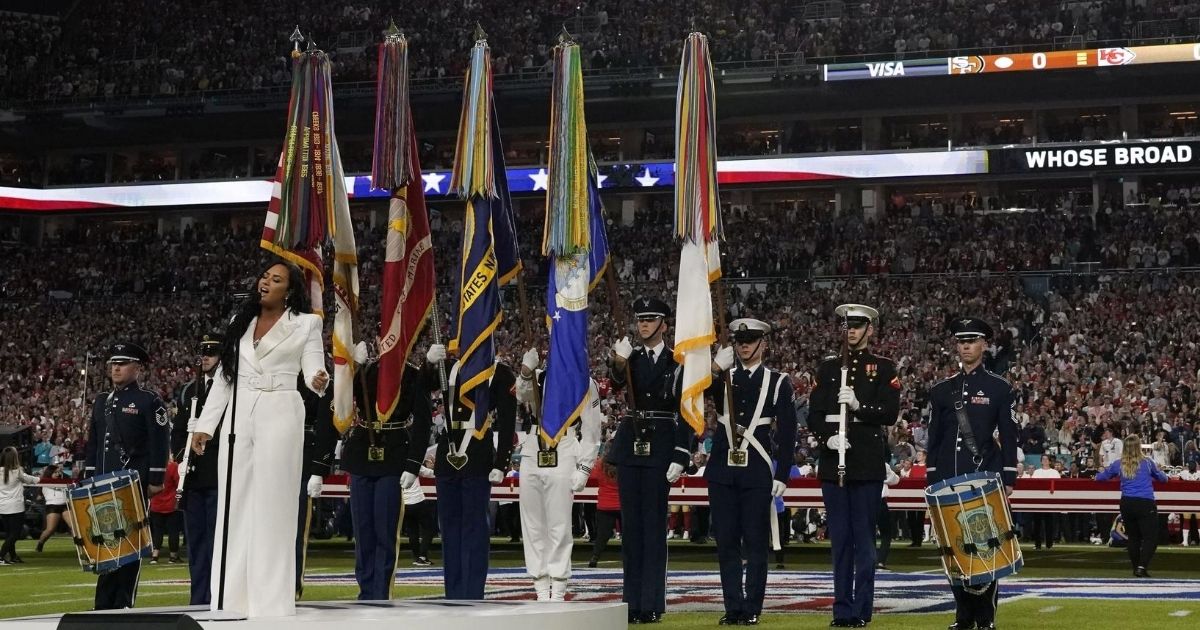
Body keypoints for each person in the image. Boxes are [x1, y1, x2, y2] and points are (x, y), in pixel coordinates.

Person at [191, 260, 329, 618]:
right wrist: (205, 426)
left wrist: (318, 377)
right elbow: (225, 379)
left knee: (273, 506)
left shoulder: (306, 323)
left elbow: (314, 363)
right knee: (233, 507)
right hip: (239, 416)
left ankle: (271, 602)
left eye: (276, 279)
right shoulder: (241, 323)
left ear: (290, 290)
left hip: (280, 410)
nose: (266, 282)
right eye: (265, 277)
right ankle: (231, 598)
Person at [808, 304, 901, 628]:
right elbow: (814, 414)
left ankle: (861, 610)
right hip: (835, 460)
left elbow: (890, 413)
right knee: (840, 540)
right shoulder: (829, 368)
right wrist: (827, 438)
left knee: (864, 540)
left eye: (858, 325)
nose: (852, 330)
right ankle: (841, 609)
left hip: (865, 460)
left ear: (870, 329)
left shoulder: (883, 368)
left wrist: (861, 407)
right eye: (848, 325)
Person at [927, 317, 1018, 630]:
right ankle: (963, 615)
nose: (966, 346)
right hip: (947, 478)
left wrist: (1008, 479)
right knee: (953, 550)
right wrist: (931, 477)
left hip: (983, 478)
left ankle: (985, 617)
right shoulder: (940, 391)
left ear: (985, 345)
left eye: (972, 340)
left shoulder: (999, 388)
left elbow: (1009, 434)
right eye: (961, 341)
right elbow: (934, 437)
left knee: (985, 548)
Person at [606, 296, 693, 624]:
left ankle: (652, 601)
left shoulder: (677, 361)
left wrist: (681, 453)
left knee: (655, 528)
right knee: (632, 529)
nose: (643, 324)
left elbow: (685, 409)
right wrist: (617, 363)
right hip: (632, 443)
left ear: (664, 324)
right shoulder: (627, 357)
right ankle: (631, 601)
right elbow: (616, 385)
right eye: (640, 319)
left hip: (660, 444)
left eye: (650, 319)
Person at [706, 318, 798, 625]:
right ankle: (733, 607)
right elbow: (691, 390)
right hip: (722, 469)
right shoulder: (721, 377)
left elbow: (787, 432)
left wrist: (783, 473)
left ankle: (752, 608)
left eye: (750, 339)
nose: (744, 345)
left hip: (756, 468)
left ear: (763, 343)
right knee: (727, 542)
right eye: (740, 340)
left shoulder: (778, 381)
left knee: (756, 542)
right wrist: (715, 369)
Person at [423, 341, 517, 600]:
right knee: (450, 529)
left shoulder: (499, 372)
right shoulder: (449, 366)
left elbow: (508, 421)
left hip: (476, 453)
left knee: (475, 529)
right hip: (448, 453)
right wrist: (429, 364)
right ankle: (453, 594)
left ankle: (473, 594)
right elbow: (419, 389)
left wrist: (501, 463)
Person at [340, 342, 432, 600]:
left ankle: (380, 593)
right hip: (361, 454)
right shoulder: (367, 371)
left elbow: (423, 424)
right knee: (364, 530)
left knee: (385, 530)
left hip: (393, 455)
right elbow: (342, 399)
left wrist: (413, 464)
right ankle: (365, 591)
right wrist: (354, 368)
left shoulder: (413, 375)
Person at [85, 341, 170, 609]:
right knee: (105, 545)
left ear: (137, 368)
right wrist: (89, 478)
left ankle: (123, 602)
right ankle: (103, 604)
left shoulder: (148, 400)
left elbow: (159, 441)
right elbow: (94, 443)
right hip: (103, 484)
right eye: (113, 364)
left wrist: (155, 480)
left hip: (132, 484)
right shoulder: (101, 401)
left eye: (122, 363)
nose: (116, 368)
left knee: (130, 546)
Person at [515, 348, 602, 601]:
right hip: (533, 447)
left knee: (559, 524)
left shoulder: (584, 382)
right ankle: (540, 586)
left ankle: (559, 586)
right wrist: (525, 372)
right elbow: (521, 396)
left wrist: (584, 467)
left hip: (564, 446)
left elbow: (592, 427)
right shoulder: (538, 377)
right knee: (532, 524)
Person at [171, 332, 223, 605]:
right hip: (193, 476)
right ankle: (198, 598)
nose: (205, 357)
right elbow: (178, 431)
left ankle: (217, 597)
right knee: (196, 543)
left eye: (211, 352)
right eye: (203, 352)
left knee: (217, 543)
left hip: (218, 474)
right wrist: (181, 457)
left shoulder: (231, 388)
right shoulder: (190, 390)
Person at [1096, 434, 1169, 577]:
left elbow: (1101, 478)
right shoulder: (1147, 462)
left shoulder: (1119, 463)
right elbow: (1163, 479)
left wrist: (1099, 473)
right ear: (1138, 447)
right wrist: (1160, 472)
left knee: (1133, 537)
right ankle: (1142, 566)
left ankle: (1137, 568)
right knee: (1151, 537)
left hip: (1127, 502)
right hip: (1145, 502)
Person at [296, 372, 338, 598]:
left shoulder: (318, 379)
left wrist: (319, 469)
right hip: (274, 455)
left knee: (296, 531)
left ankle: (292, 585)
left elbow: (326, 426)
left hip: (304, 456)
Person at [0, 446, 38, 564]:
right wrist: (40, 478)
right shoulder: (17, 472)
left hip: (2, 506)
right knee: (15, 534)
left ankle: (13, 556)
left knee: (9, 533)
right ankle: (1, 555)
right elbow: (30, 480)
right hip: (15, 507)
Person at [587, 451, 620, 567]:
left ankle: (594, 558)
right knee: (630, 536)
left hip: (605, 505)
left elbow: (591, 476)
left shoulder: (600, 464)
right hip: (623, 505)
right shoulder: (625, 463)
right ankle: (633, 560)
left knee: (602, 536)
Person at [148, 455, 181, 564]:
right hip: (171, 504)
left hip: (156, 504)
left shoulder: (152, 468)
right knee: (173, 531)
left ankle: (155, 555)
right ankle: (173, 556)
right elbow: (178, 483)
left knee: (157, 531)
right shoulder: (173, 467)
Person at [36, 463, 70, 553]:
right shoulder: (45, 482)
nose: (58, 474)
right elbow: (56, 486)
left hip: (65, 505)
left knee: (74, 527)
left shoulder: (62, 480)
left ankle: (81, 546)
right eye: (55, 472)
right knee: (50, 529)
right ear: (50, 473)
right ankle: (40, 543)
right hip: (52, 506)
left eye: (59, 472)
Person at [1029, 454, 1061, 549]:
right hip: (1038, 501)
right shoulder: (1037, 472)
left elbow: (1058, 485)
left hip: (1050, 501)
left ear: (1050, 461)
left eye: (1046, 459)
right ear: (1041, 461)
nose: (1045, 461)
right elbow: (1033, 485)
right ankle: (1037, 544)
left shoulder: (1054, 472)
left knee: (1049, 523)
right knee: (1037, 523)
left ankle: (1049, 544)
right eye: (1043, 459)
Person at [877, 462, 901, 570]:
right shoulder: (883, 464)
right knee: (886, 533)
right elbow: (895, 479)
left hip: (864, 501)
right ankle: (880, 561)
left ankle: (869, 560)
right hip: (880, 501)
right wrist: (883, 480)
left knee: (867, 533)